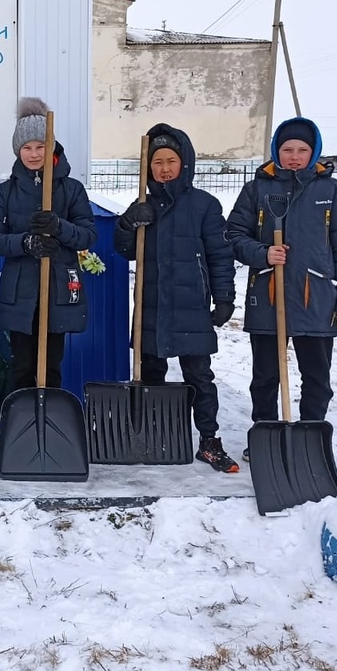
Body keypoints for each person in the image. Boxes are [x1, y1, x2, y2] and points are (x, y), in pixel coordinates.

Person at [224, 116, 337, 456]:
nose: (295, 156)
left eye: (303, 150)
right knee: (265, 376)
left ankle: (311, 435)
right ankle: (266, 433)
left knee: (317, 376)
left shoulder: (333, 192)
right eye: (287, 149)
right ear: (276, 150)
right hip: (268, 295)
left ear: (314, 151)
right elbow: (232, 236)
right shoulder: (258, 188)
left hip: (315, 296)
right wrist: (262, 253)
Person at [113, 124, 239, 472]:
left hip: (192, 307)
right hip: (152, 306)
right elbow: (124, 251)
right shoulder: (142, 205)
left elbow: (219, 254)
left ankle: (210, 441)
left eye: (171, 160)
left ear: (185, 163)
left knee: (199, 376)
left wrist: (224, 297)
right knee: (151, 371)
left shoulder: (204, 206)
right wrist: (127, 224)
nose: (164, 168)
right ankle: (152, 435)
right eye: (157, 162)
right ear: (148, 167)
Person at [0, 97, 97, 391]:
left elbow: (88, 234)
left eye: (40, 146)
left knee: (50, 365)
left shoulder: (71, 189)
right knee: (21, 364)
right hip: (20, 292)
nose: (34, 154)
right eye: (27, 147)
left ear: (51, 148)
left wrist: (60, 227)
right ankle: (20, 425)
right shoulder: (6, 192)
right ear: (17, 150)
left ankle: (50, 422)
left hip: (57, 287)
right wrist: (26, 243)